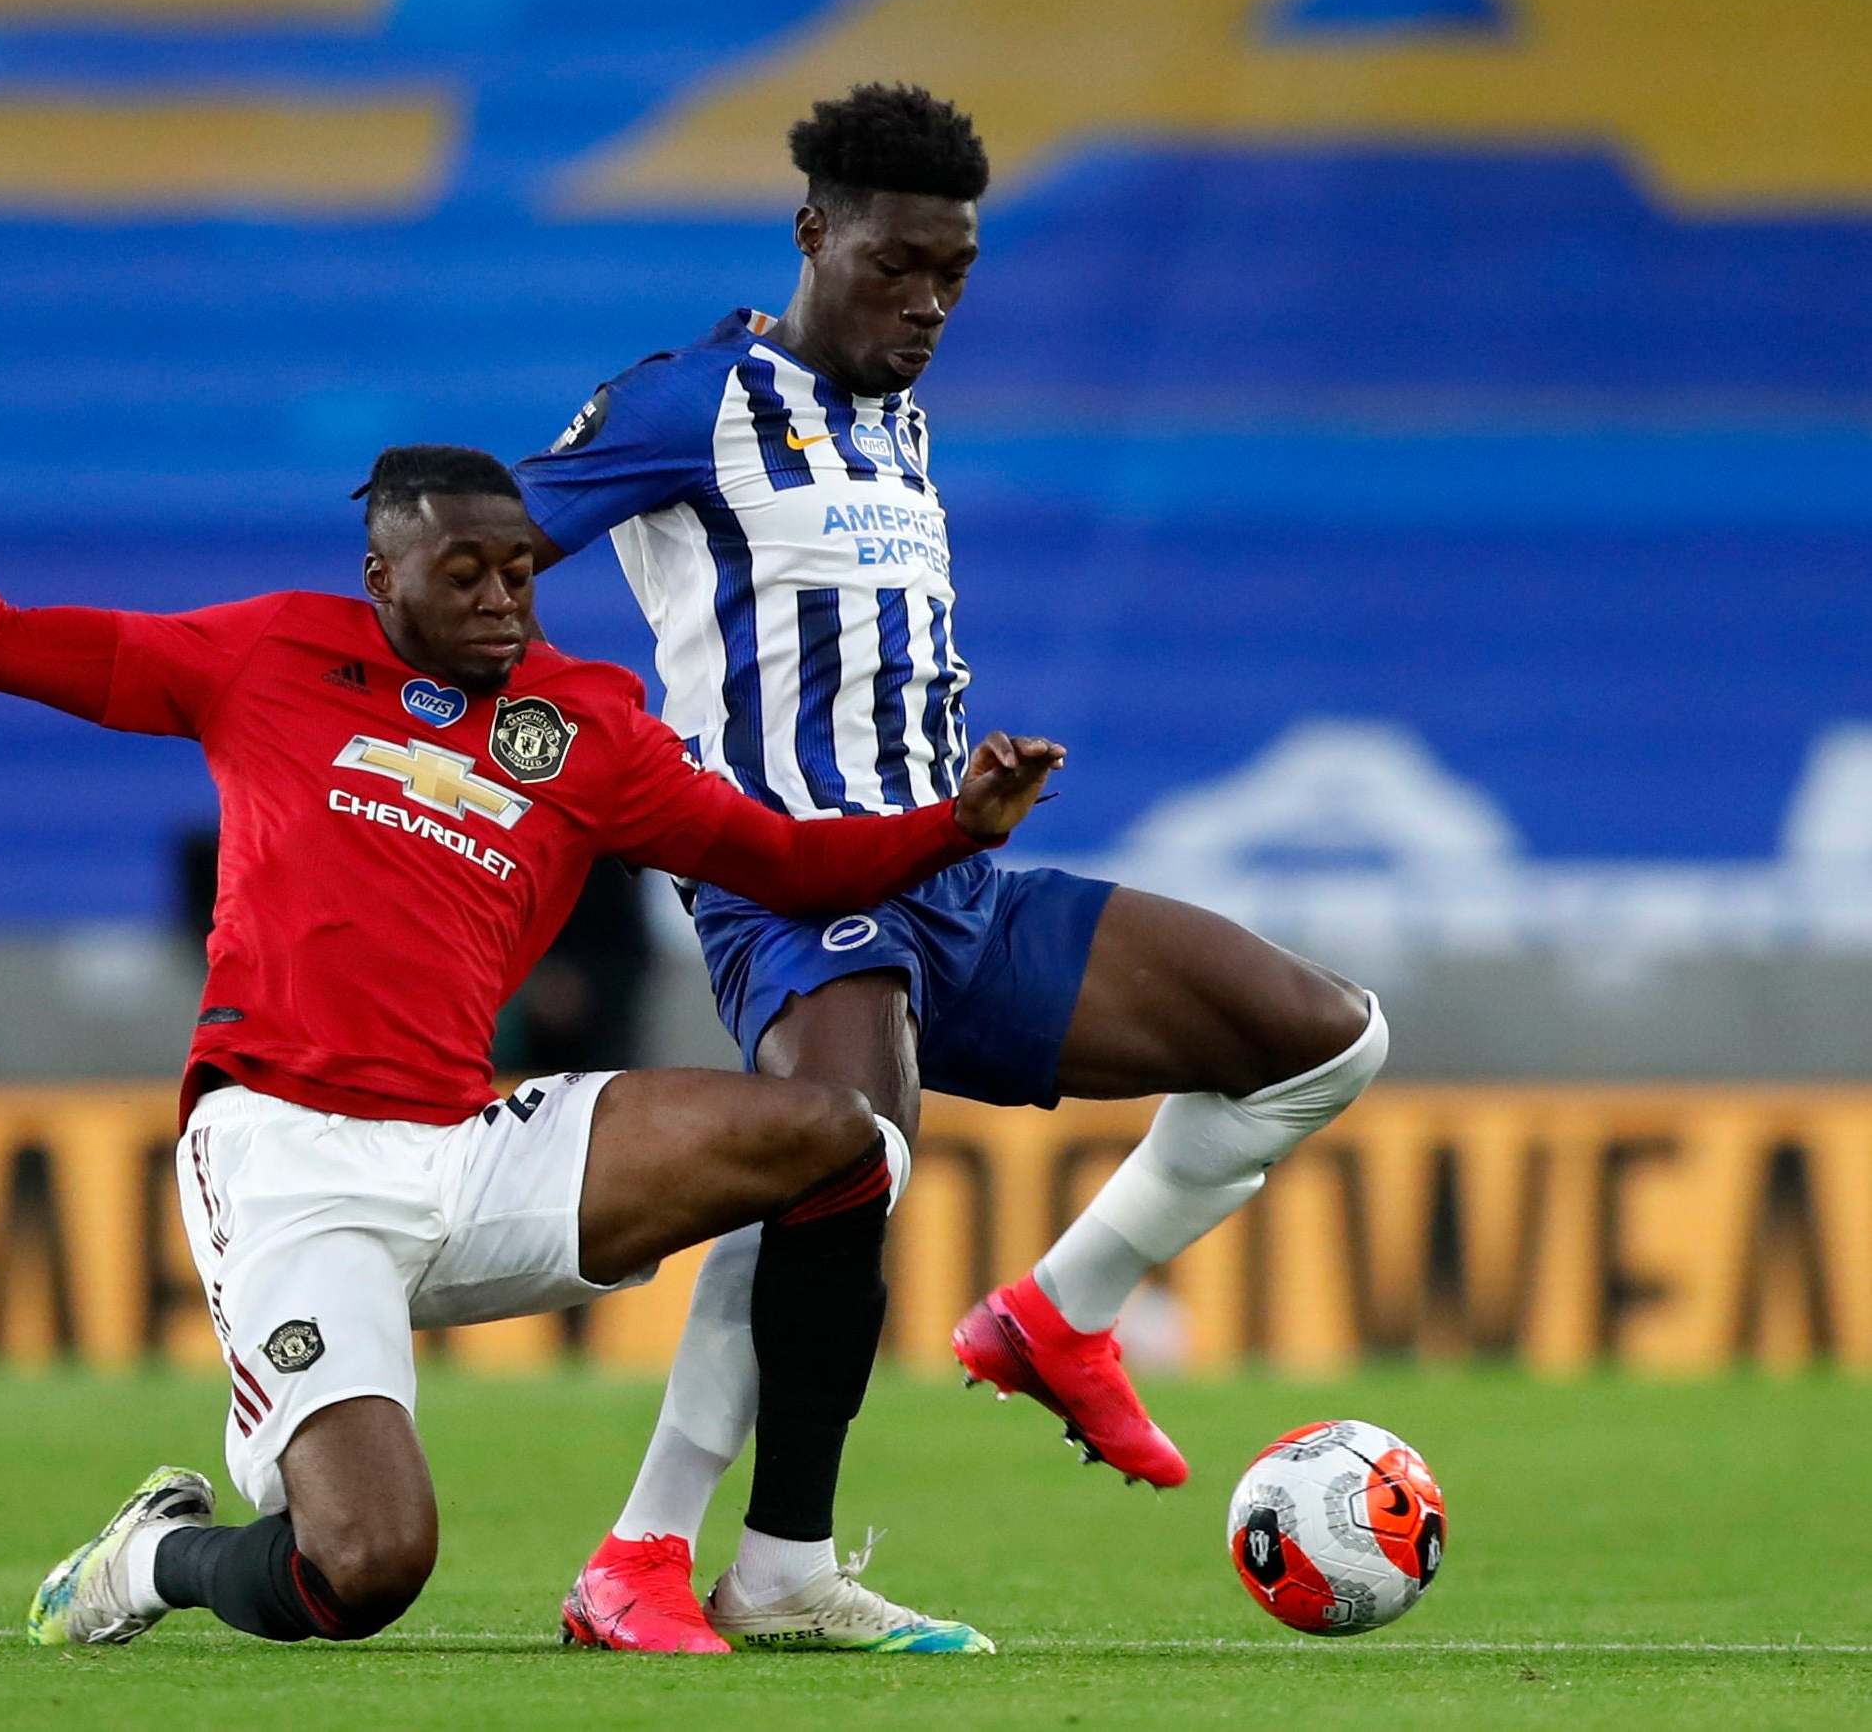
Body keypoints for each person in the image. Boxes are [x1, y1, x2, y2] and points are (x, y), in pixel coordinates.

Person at [0, 358, 1062, 1655]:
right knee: (366, 1569)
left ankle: (779, 1565)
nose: (504, 600)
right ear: (381, 579)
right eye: (467, 575)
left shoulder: (585, 725)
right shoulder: (264, 652)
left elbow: (784, 861)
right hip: (289, 1159)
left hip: (475, 1146)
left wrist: (956, 824)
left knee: (837, 1139)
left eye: (520, 572)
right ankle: (150, 1555)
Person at [510, 82, 1389, 1653]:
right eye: (897, 265)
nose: (926, 306)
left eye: (954, 278)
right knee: (841, 1141)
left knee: (1322, 1036)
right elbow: (478, 551)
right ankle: (665, 1555)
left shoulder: (895, 418)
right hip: (792, 879)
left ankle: (1061, 1311)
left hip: (955, 877)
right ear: (812, 234)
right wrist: (564, 738)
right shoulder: (687, 403)